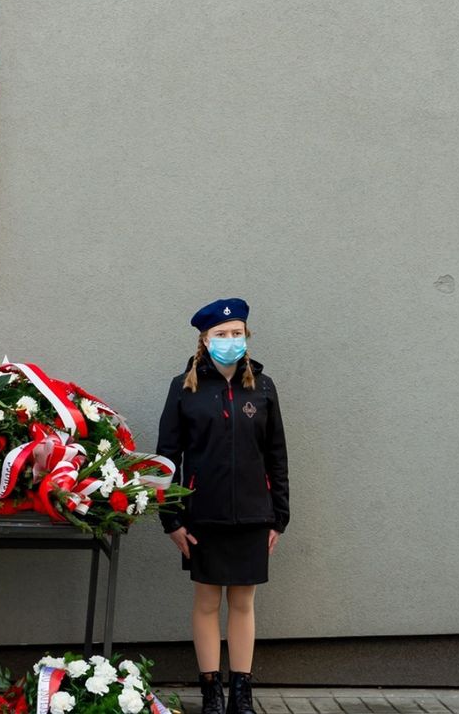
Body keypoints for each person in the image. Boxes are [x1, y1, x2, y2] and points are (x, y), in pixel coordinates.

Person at [157, 298, 290, 714]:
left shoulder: (263, 388)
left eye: (236, 333)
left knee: (243, 602)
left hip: (254, 513)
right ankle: (211, 691)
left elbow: (277, 455)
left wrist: (279, 516)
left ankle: (242, 692)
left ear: (246, 336)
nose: (229, 341)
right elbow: (165, 459)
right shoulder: (184, 387)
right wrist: (171, 519)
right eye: (221, 334)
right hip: (203, 516)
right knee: (207, 601)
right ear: (204, 339)